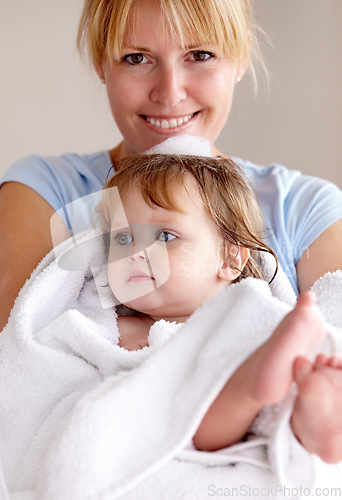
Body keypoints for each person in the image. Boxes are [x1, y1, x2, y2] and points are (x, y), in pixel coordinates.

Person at [0, 0, 341, 331]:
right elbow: (16, 365)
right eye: (136, 58)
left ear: (240, 58)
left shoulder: (307, 210)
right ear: (99, 62)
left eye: (200, 55)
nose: (170, 93)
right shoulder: (45, 191)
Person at [96, 152, 342, 462]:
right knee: (200, 417)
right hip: (186, 428)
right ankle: (258, 390)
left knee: (281, 404)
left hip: (251, 391)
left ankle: (310, 420)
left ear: (229, 259)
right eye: (121, 238)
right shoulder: (112, 328)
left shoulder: (251, 318)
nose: (135, 251)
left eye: (165, 235)